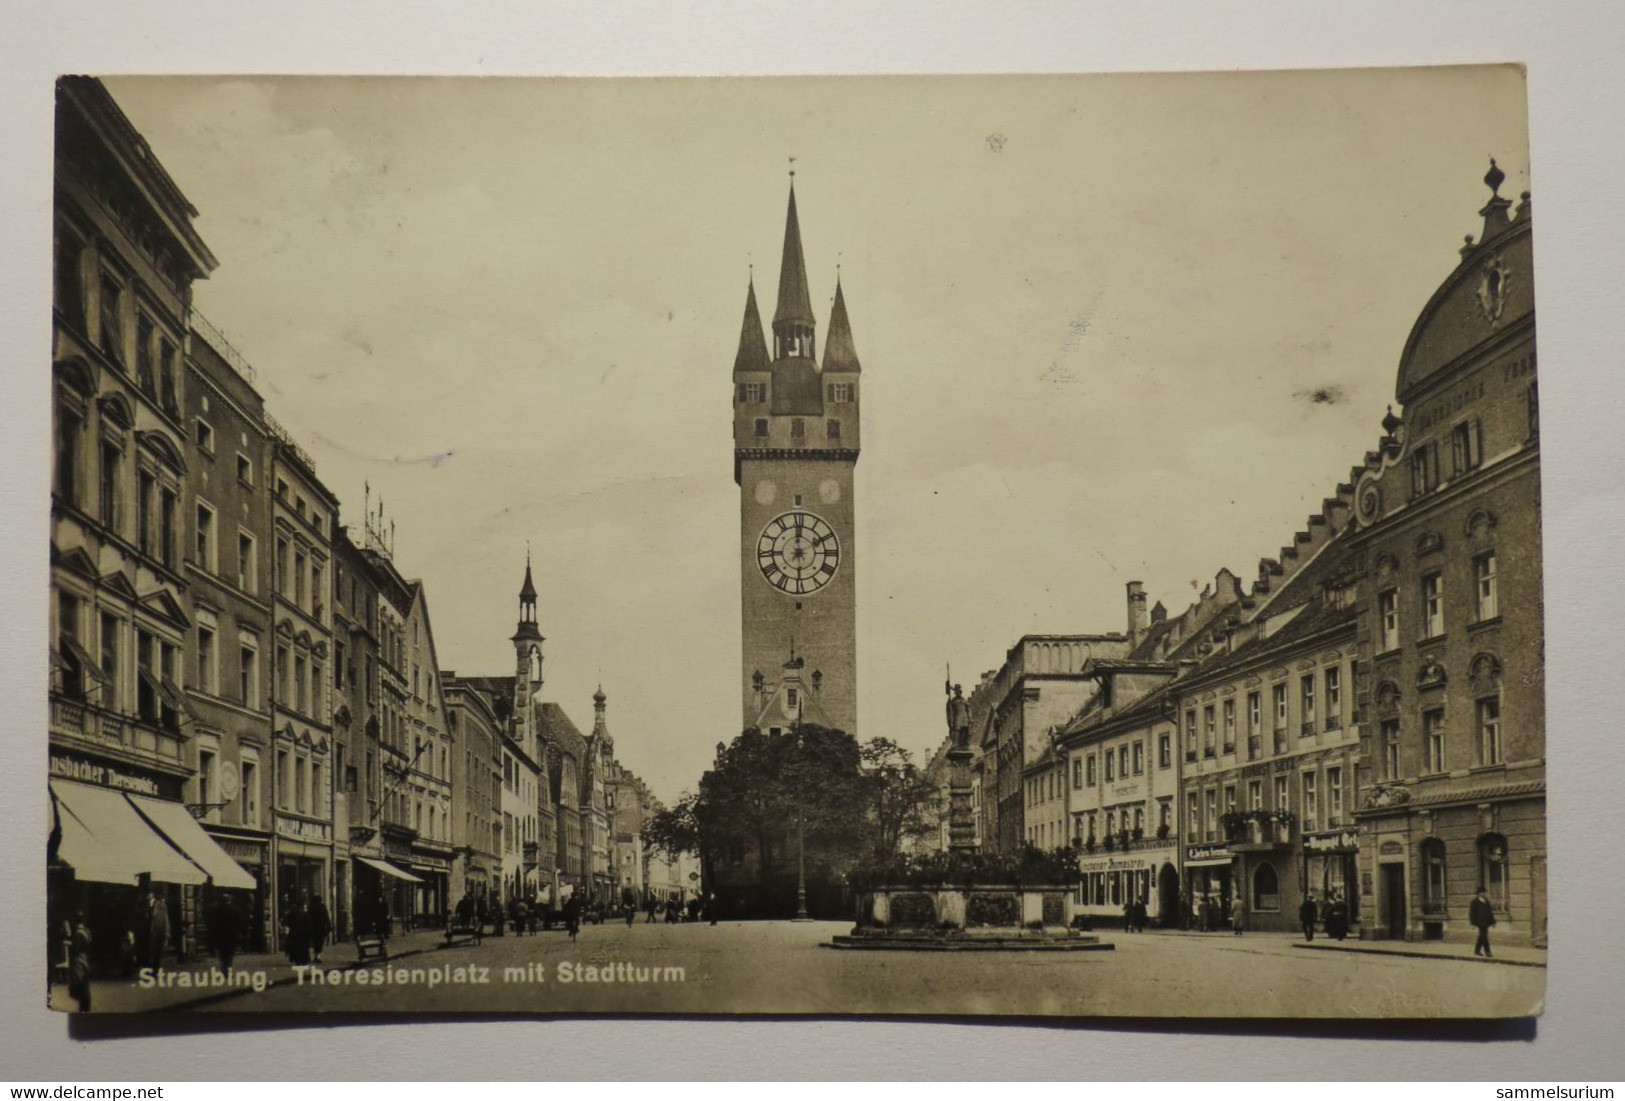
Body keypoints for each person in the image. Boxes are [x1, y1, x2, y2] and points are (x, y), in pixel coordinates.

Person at [66, 910, 93, 1013]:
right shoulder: (87, 931)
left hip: (79, 960)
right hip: (86, 958)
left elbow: (76, 949)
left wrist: (69, 945)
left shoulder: (78, 933)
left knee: (80, 983)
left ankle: (84, 1008)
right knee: (84, 983)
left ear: (75, 920)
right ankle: (85, 1007)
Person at [213, 891, 242, 969]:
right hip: (231, 935)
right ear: (229, 900)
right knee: (229, 954)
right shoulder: (234, 909)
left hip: (221, 935)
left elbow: (215, 923)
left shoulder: (217, 910)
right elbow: (238, 923)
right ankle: (228, 969)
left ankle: (223, 969)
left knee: (222, 955)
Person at [144, 886, 171, 970]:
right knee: (148, 950)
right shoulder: (145, 904)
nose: (149, 896)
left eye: (150, 894)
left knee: (156, 951)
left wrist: (166, 932)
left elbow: (165, 919)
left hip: (157, 930)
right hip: (147, 930)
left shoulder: (161, 905)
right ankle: (149, 968)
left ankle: (155, 969)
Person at [1469, 885, 1497, 958]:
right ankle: (1487, 952)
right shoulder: (1474, 902)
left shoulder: (1486, 901)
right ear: (1478, 893)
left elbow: (1490, 912)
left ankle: (1477, 951)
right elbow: (1472, 913)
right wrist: (1472, 924)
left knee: (1481, 936)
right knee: (1484, 936)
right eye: (1482, 892)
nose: (1483, 894)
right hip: (1479, 922)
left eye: (1484, 892)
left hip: (1486, 922)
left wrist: (1493, 922)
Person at [283, 893, 310, 966]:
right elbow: (308, 923)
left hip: (294, 933)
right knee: (303, 947)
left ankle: (296, 960)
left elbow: (287, 921)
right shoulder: (304, 913)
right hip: (303, 933)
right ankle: (303, 960)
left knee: (296, 947)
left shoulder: (293, 911)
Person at [307, 892, 331, 963]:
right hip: (321, 928)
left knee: (315, 942)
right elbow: (326, 917)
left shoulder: (310, 907)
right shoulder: (322, 907)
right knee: (320, 942)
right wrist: (329, 926)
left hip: (313, 928)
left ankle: (316, 955)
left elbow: (308, 917)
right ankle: (318, 956)